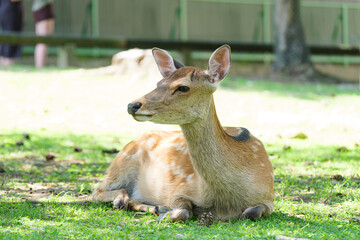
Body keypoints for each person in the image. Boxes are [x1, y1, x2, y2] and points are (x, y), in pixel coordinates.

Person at [0, 0, 23, 66]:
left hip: (8, 9)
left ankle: (5, 63)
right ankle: (7, 63)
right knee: (10, 39)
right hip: (10, 11)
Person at [32, 0, 55, 68]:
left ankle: (41, 65)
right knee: (42, 41)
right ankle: (40, 66)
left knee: (45, 41)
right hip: (42, 8)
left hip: (45, 7)